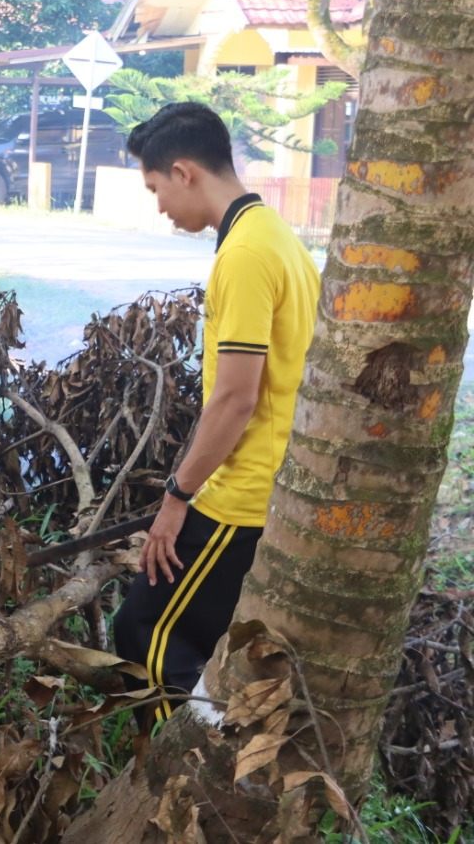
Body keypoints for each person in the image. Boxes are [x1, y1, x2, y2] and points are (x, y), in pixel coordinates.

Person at [111, 102, 320, 723]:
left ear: (184, 172)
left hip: (241, 496)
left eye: (155, 189)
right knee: (205, 646)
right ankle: (212, 753)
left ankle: (180, 780)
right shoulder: (277, 236)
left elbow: (235, 398)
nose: (159, 207)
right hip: (273, 489)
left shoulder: (245, 255)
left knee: (143, 634)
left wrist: (177, 499)